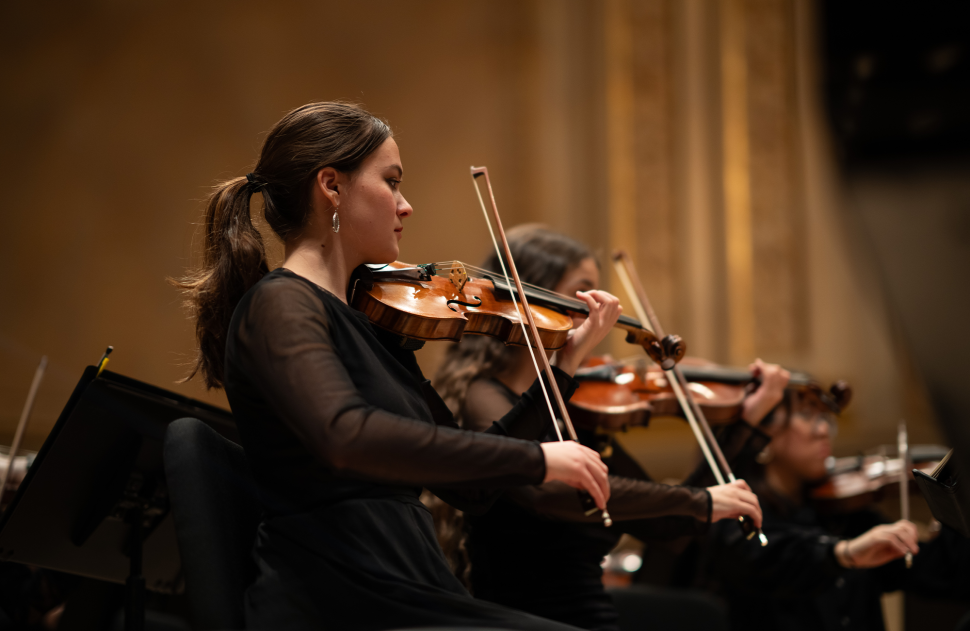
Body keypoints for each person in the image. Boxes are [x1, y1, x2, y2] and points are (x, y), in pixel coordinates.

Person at [175, 102, 622, 631]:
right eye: (391, 182)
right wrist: (538, 461)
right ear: (332, 187)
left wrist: (561, 368)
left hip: (406, 582)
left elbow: (470, 492)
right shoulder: (281, 305)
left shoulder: (376, 326)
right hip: (339, 596)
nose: (406, 206)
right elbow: (346, 436)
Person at [433, 225, 785, 631]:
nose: (603, 308)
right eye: (583, 290)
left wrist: (745, 424)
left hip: (591, 617)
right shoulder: (482, 397)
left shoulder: (578, 413)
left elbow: (668, 529)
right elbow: (545, 488)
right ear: (534, 296)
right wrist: (699, 501)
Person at [675, 385, 970, 631]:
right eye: (807, 415)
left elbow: (943, 574)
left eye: (825, 418)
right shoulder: (734, 514)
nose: (824, 430)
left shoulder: (843, 513)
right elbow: (770, 559)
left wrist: (955, 505)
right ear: (764, 434)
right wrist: (843, 553)